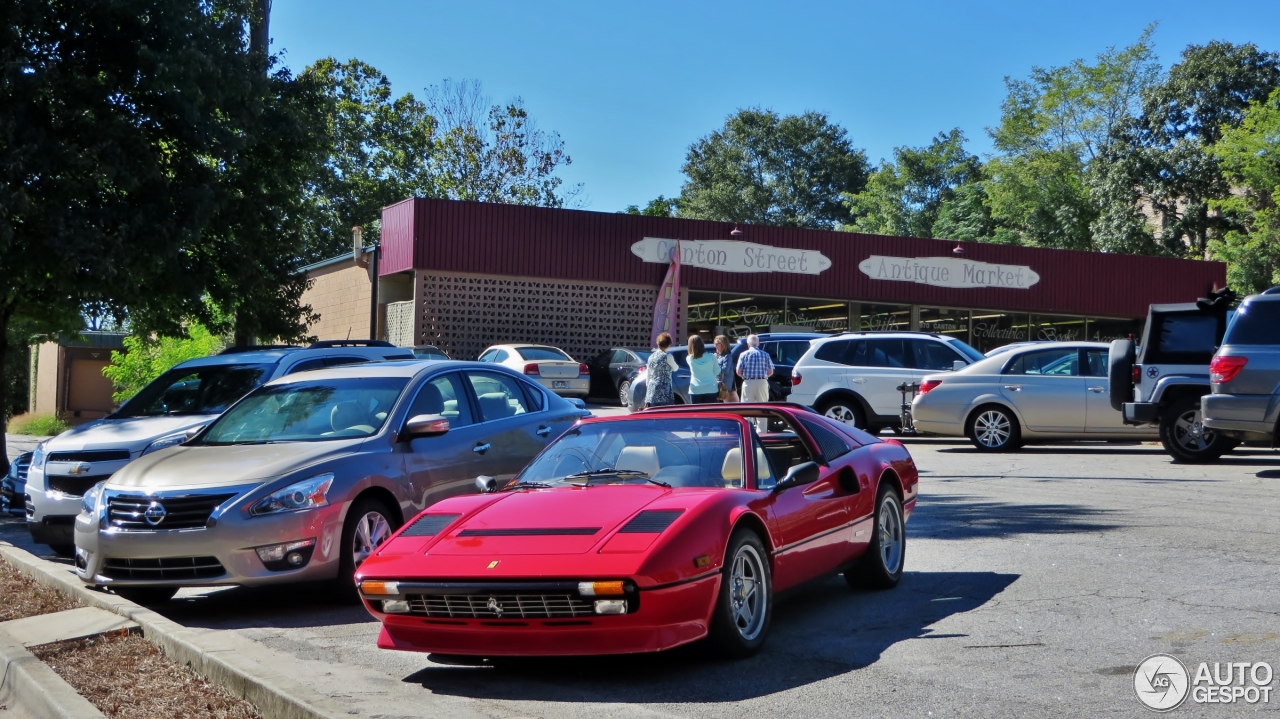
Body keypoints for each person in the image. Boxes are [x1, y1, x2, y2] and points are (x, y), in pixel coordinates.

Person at [736, 334, 774, 430]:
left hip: (748, 382)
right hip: (762, 382)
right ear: (758, 344)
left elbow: (738, 371)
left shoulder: (743, 354)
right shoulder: (765, 354)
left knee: (746, 408)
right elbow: (770, 371)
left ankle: (748, 431)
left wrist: (745, 376)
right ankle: (762, 434)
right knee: (763, 408)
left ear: (748, 344)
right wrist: (763, 376)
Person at [643, 332, 678, 409]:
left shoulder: (651, 357)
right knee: (665, 414)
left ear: (658, 344)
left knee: (652, 413)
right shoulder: (668, 356)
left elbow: (648, 374)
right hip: (664, 390)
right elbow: (675, 368)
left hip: (651, 390)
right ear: (668, 345)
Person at [687, 335, 720, 404]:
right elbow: (717, 371)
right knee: (710, 413)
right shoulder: (712, 356)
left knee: (697, 413)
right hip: (711, 387)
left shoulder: (689, 358)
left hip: (696, 389)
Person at [714, 335, 738, 402]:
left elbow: (725, 370)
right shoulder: (717, 355)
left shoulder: (727, 356)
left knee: (730, 407)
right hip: (719, 384)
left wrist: (715, 366)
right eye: (715, 344)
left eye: (717, 344)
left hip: (726, 386)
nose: (715, 346)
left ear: (723, 344)